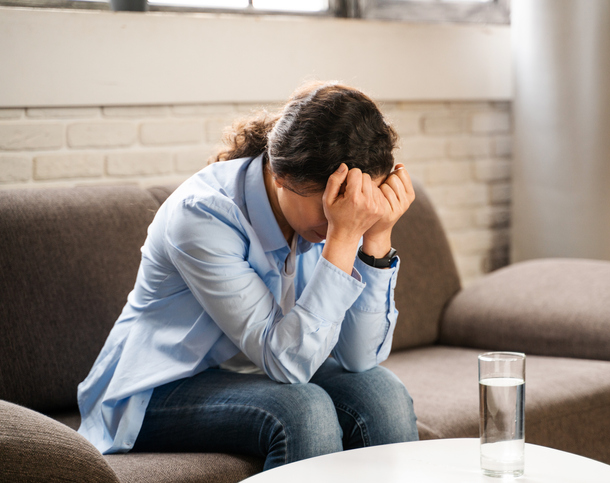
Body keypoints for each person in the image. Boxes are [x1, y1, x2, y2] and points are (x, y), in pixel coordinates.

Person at [77, 81, 419, 470]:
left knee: (382, 392)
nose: (347, 217)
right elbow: (289, 364)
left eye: (358, 205)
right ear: (280, 174)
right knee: (303, 410)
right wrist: (343, 237)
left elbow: (360, 359)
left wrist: (376, 237)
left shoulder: (326, 220)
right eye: (331, 207)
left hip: (258, 369)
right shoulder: (202, 215)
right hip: (158, 388)